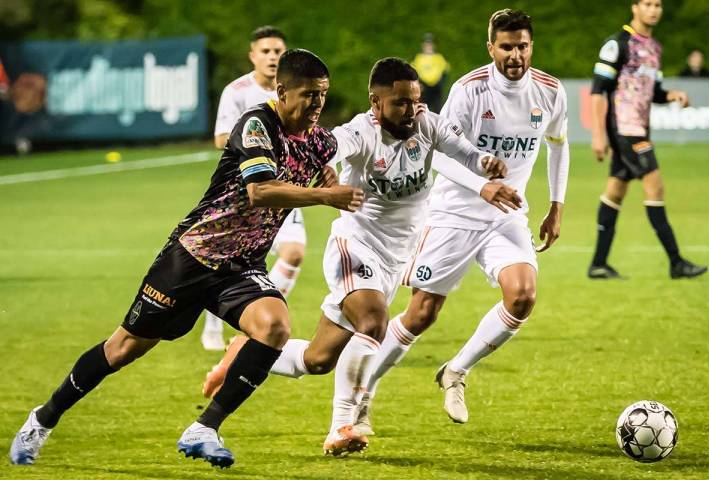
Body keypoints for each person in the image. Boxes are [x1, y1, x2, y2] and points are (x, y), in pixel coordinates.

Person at [9, 49, 364, 469]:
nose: (317, 105)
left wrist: (330, 180)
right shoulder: (256, 124)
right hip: (192, 257)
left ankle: (204, 428)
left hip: (242, 265)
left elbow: (325, 169)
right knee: (122, 349)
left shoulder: (318, 138)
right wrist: (325, 195)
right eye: (308, 95)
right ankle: (42, 419)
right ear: (282, 91)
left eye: (323, 95)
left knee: (274, 327)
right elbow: (260, 191)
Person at [201, 57, 519, 455]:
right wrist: (327, 174)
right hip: (354, 248)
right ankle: (342, 427)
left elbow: (463, 152)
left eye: (415, 101)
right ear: (375, 102)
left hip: (392, 260)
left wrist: (485, 164)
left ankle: (240, 353)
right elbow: (329, 149)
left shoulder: (427, 123)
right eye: (400, 103)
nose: (411, 110)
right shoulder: (360, 133)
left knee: (317, 360)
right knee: (374, 321)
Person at [348, 8, 570, 430]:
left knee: (522, 295)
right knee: (421, 314)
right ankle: (361, 394)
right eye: (506, 47)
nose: (515, 55)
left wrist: (556, 204)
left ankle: (456, 371)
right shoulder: (471, 90)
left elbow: (559, 144)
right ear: (491, 48)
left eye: (522, 46)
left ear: (531, 46)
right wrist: (482, 186)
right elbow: (438, 155)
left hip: (505, 216)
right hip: (453, 213)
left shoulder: (550, 91)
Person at [202, 26, 308, 350]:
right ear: (253, 55)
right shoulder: (237, 92)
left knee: (294, 251)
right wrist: (257, 138)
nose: (272, 56)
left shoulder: (293, 90)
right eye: (265, 51)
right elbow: (221, 138)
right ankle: (214, 324)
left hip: (283, 188)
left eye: (277, 51)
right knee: (228, 258)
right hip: (245, 192)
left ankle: (258, 313)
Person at [588, 0, 707, 279]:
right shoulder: (617, 44)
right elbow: (597, 91)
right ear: (635, 7)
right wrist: (598, 134)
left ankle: (598, 264)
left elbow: (654, 92)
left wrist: (672, 95)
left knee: (615, 192)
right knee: (655, 186)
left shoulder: (654, 48)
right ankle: (676, 262)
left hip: (639, 130)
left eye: (658, 5)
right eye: (648, 4)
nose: (654, 10)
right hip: (625, 131)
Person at [411, 33, 450, 113]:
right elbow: (413, 73)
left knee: (438, 111)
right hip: (423, 89)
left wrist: (440, 84)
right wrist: (418, 84)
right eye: (426, 44)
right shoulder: (418, 58)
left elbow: (445, 72)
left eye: (430, 44)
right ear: (423, 45)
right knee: (422, 110)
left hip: (436, 89)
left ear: (434, 45)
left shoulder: (439, 58)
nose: (428, 46)